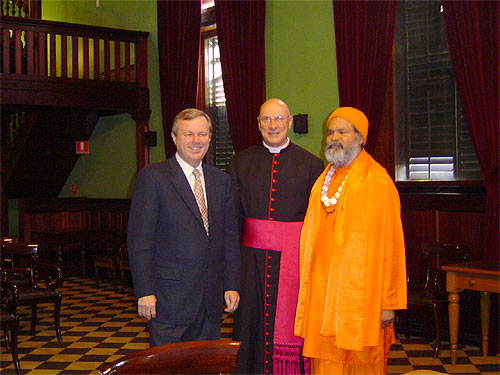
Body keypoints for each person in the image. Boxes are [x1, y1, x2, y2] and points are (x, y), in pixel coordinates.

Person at [294, 107, 407, 374]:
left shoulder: (378, 182)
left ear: (360, 138)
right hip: (323, 299)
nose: (334, 137)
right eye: (331, 132)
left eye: (342, 132)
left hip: (361, 304)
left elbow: (393, 246)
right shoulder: (323, 180)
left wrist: (388, 304)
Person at [127, 108, 241, 347]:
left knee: (204, 367)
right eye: (188, 134)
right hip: (169, 301)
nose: (196, 141)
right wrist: (144, 291)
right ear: (174, 137)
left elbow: (229, 238)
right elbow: (140, 240)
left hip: (210, 301)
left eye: (202, 134)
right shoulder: (153, 177)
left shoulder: (221, 180)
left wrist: (232, 284)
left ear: (210, 137)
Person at [229, 98, 324, 374]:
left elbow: (316, 223)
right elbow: (232, 220)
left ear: (290, 122)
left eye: (279, 119)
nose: (273, 125)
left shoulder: (311, 164)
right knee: (251, 325)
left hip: (294, 265)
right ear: (258, 124)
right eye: (266, 120)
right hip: (251, 264)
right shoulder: (240, 162)